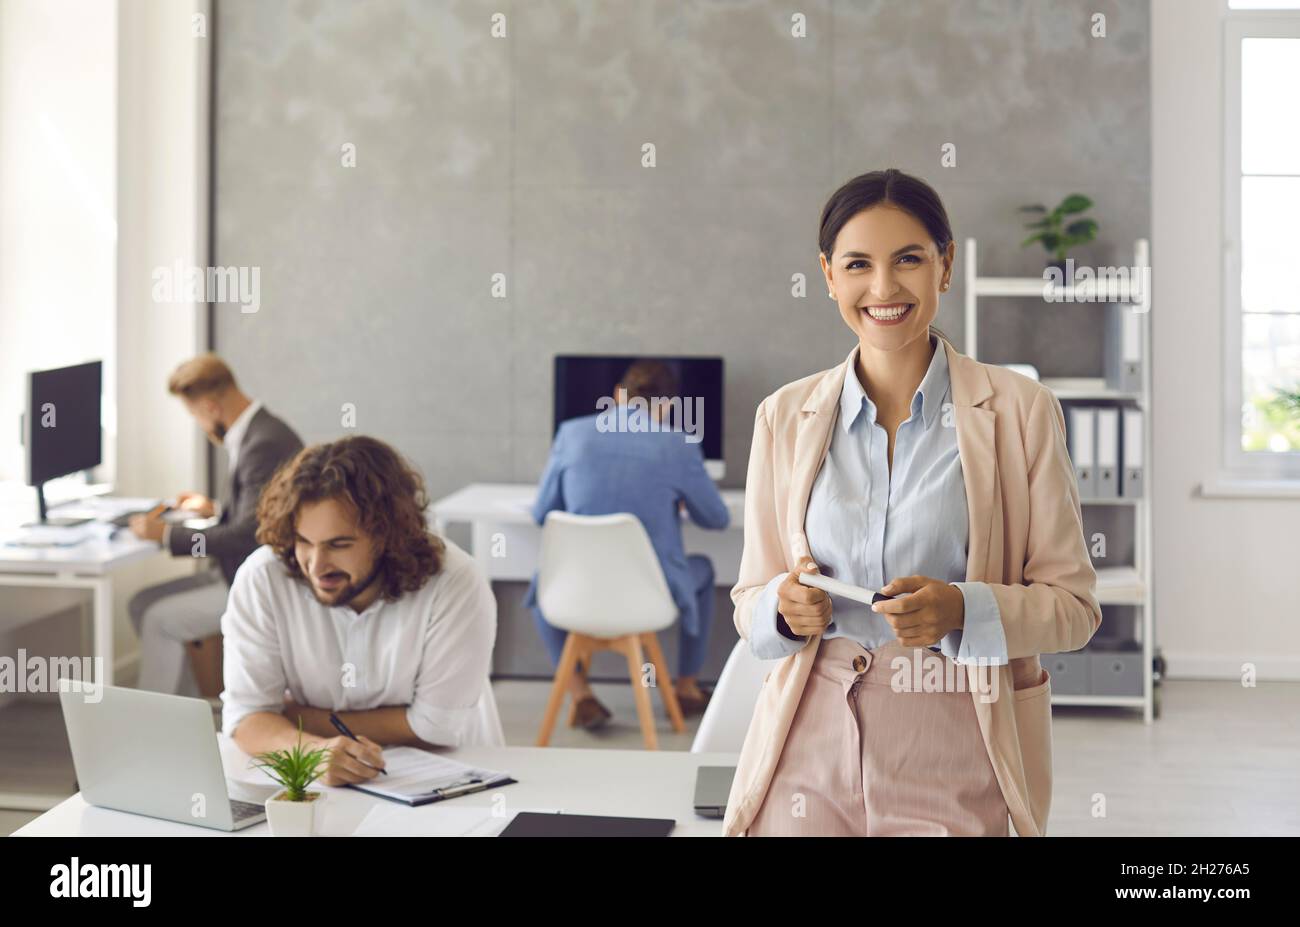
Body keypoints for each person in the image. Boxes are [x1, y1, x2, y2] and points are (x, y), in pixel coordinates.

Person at [724, 169, 1101, 837]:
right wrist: (780, 607)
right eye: (858, 264)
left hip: (957, 740)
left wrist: (963, 607)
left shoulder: (1019, 411)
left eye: (909, 260)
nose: (884, 288)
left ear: (945, 264)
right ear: (828, 275)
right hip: (806, 743)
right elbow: (750, 596)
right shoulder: (784, 415)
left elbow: (1073, 610)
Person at [221, 435, 503, 785]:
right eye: (304, 542)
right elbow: (246, 719)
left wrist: (291, 717)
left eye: (339, 545)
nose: (316, 565)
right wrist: (312, 751)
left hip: (457, 776)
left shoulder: (455, 581)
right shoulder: (263, 577)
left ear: (387, 537)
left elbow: (435, 727)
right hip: (329, 782)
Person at [524, 360, 730, 728]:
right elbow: (716, 519)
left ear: (618, 396)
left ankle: (581, 695)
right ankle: (684, 689)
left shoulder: (571, 434)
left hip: (576, 593)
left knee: (542, 586)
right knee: (704, 569)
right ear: (669, 406)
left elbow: (542, 513)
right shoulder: (678, 446)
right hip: (648, 597)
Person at [128, 353, 302, 697]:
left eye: (194, 416)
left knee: (158, 620)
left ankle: (156, 729)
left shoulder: (261, 444)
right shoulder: (261, 431)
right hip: (236, 568)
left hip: (260, 581)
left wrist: (164, 534)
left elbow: (247, 535)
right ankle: (189, 708)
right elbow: (258, 513)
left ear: (209, 407)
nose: (201, 426)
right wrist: (218, 509)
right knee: (140, 602)